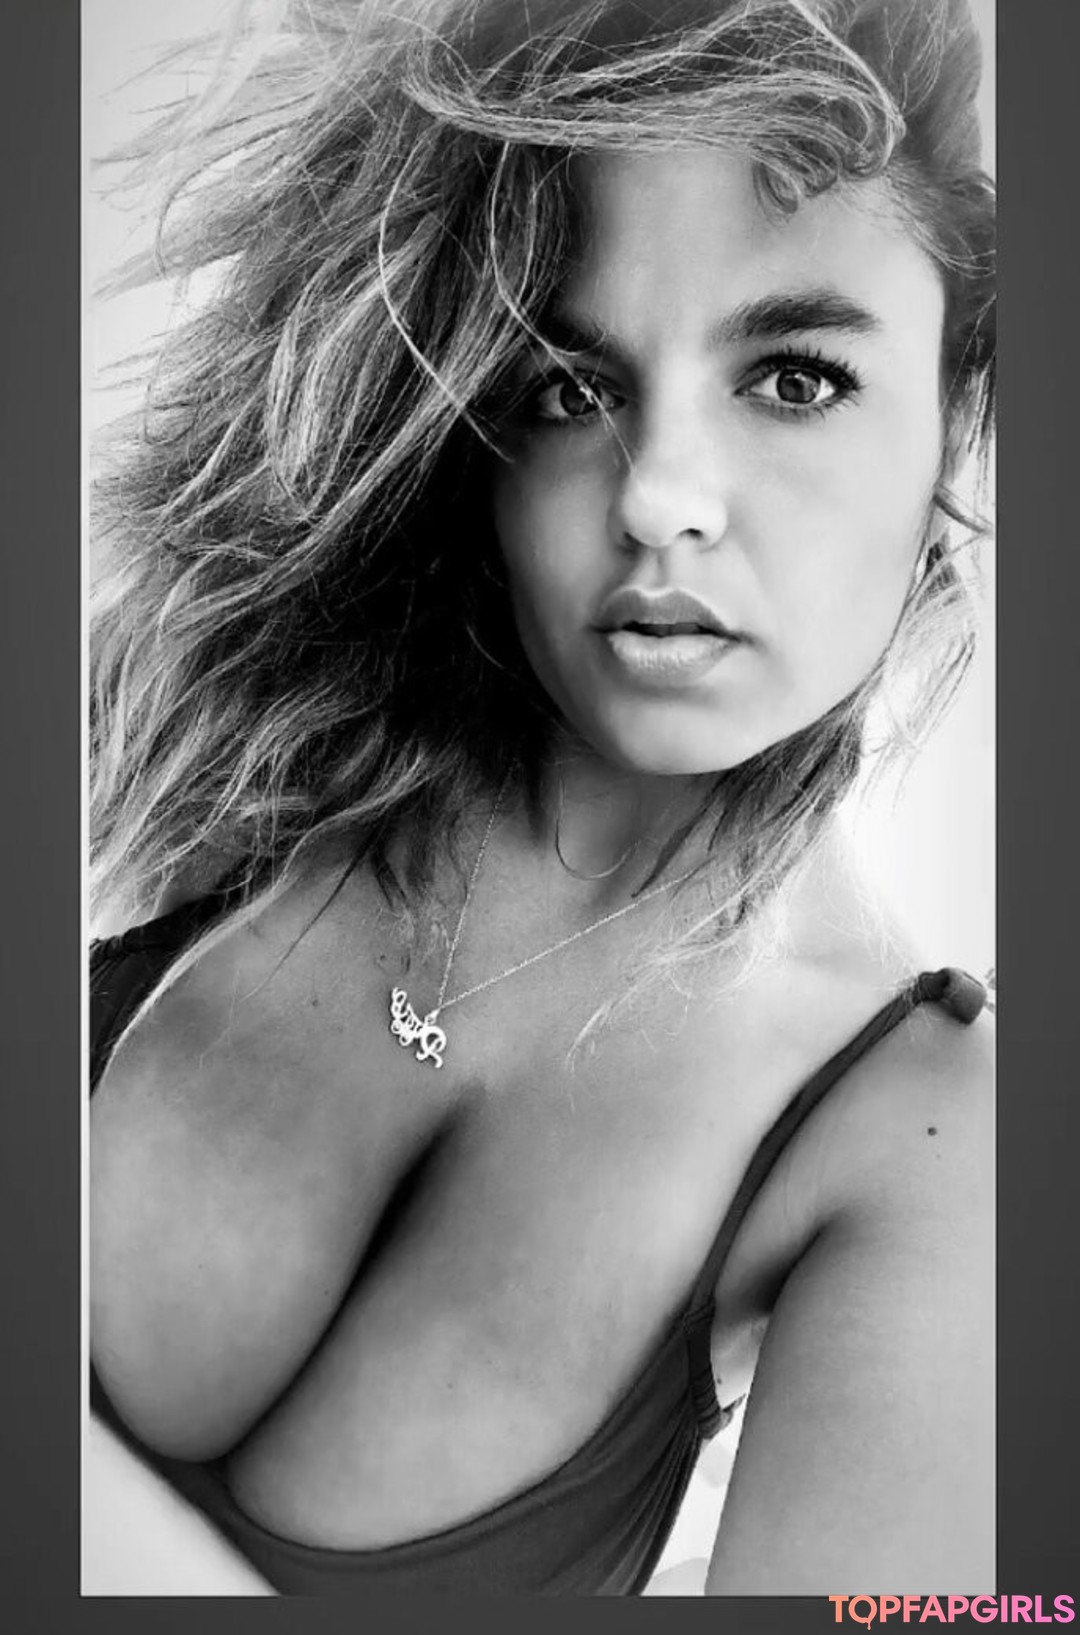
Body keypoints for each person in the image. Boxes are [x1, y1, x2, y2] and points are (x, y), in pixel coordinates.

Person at [88, 0, 996, 1598]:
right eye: (571, 387)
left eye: (795, 378)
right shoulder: (239, 730)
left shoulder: (933, 1134)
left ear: (958, 437)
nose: (660, 497)